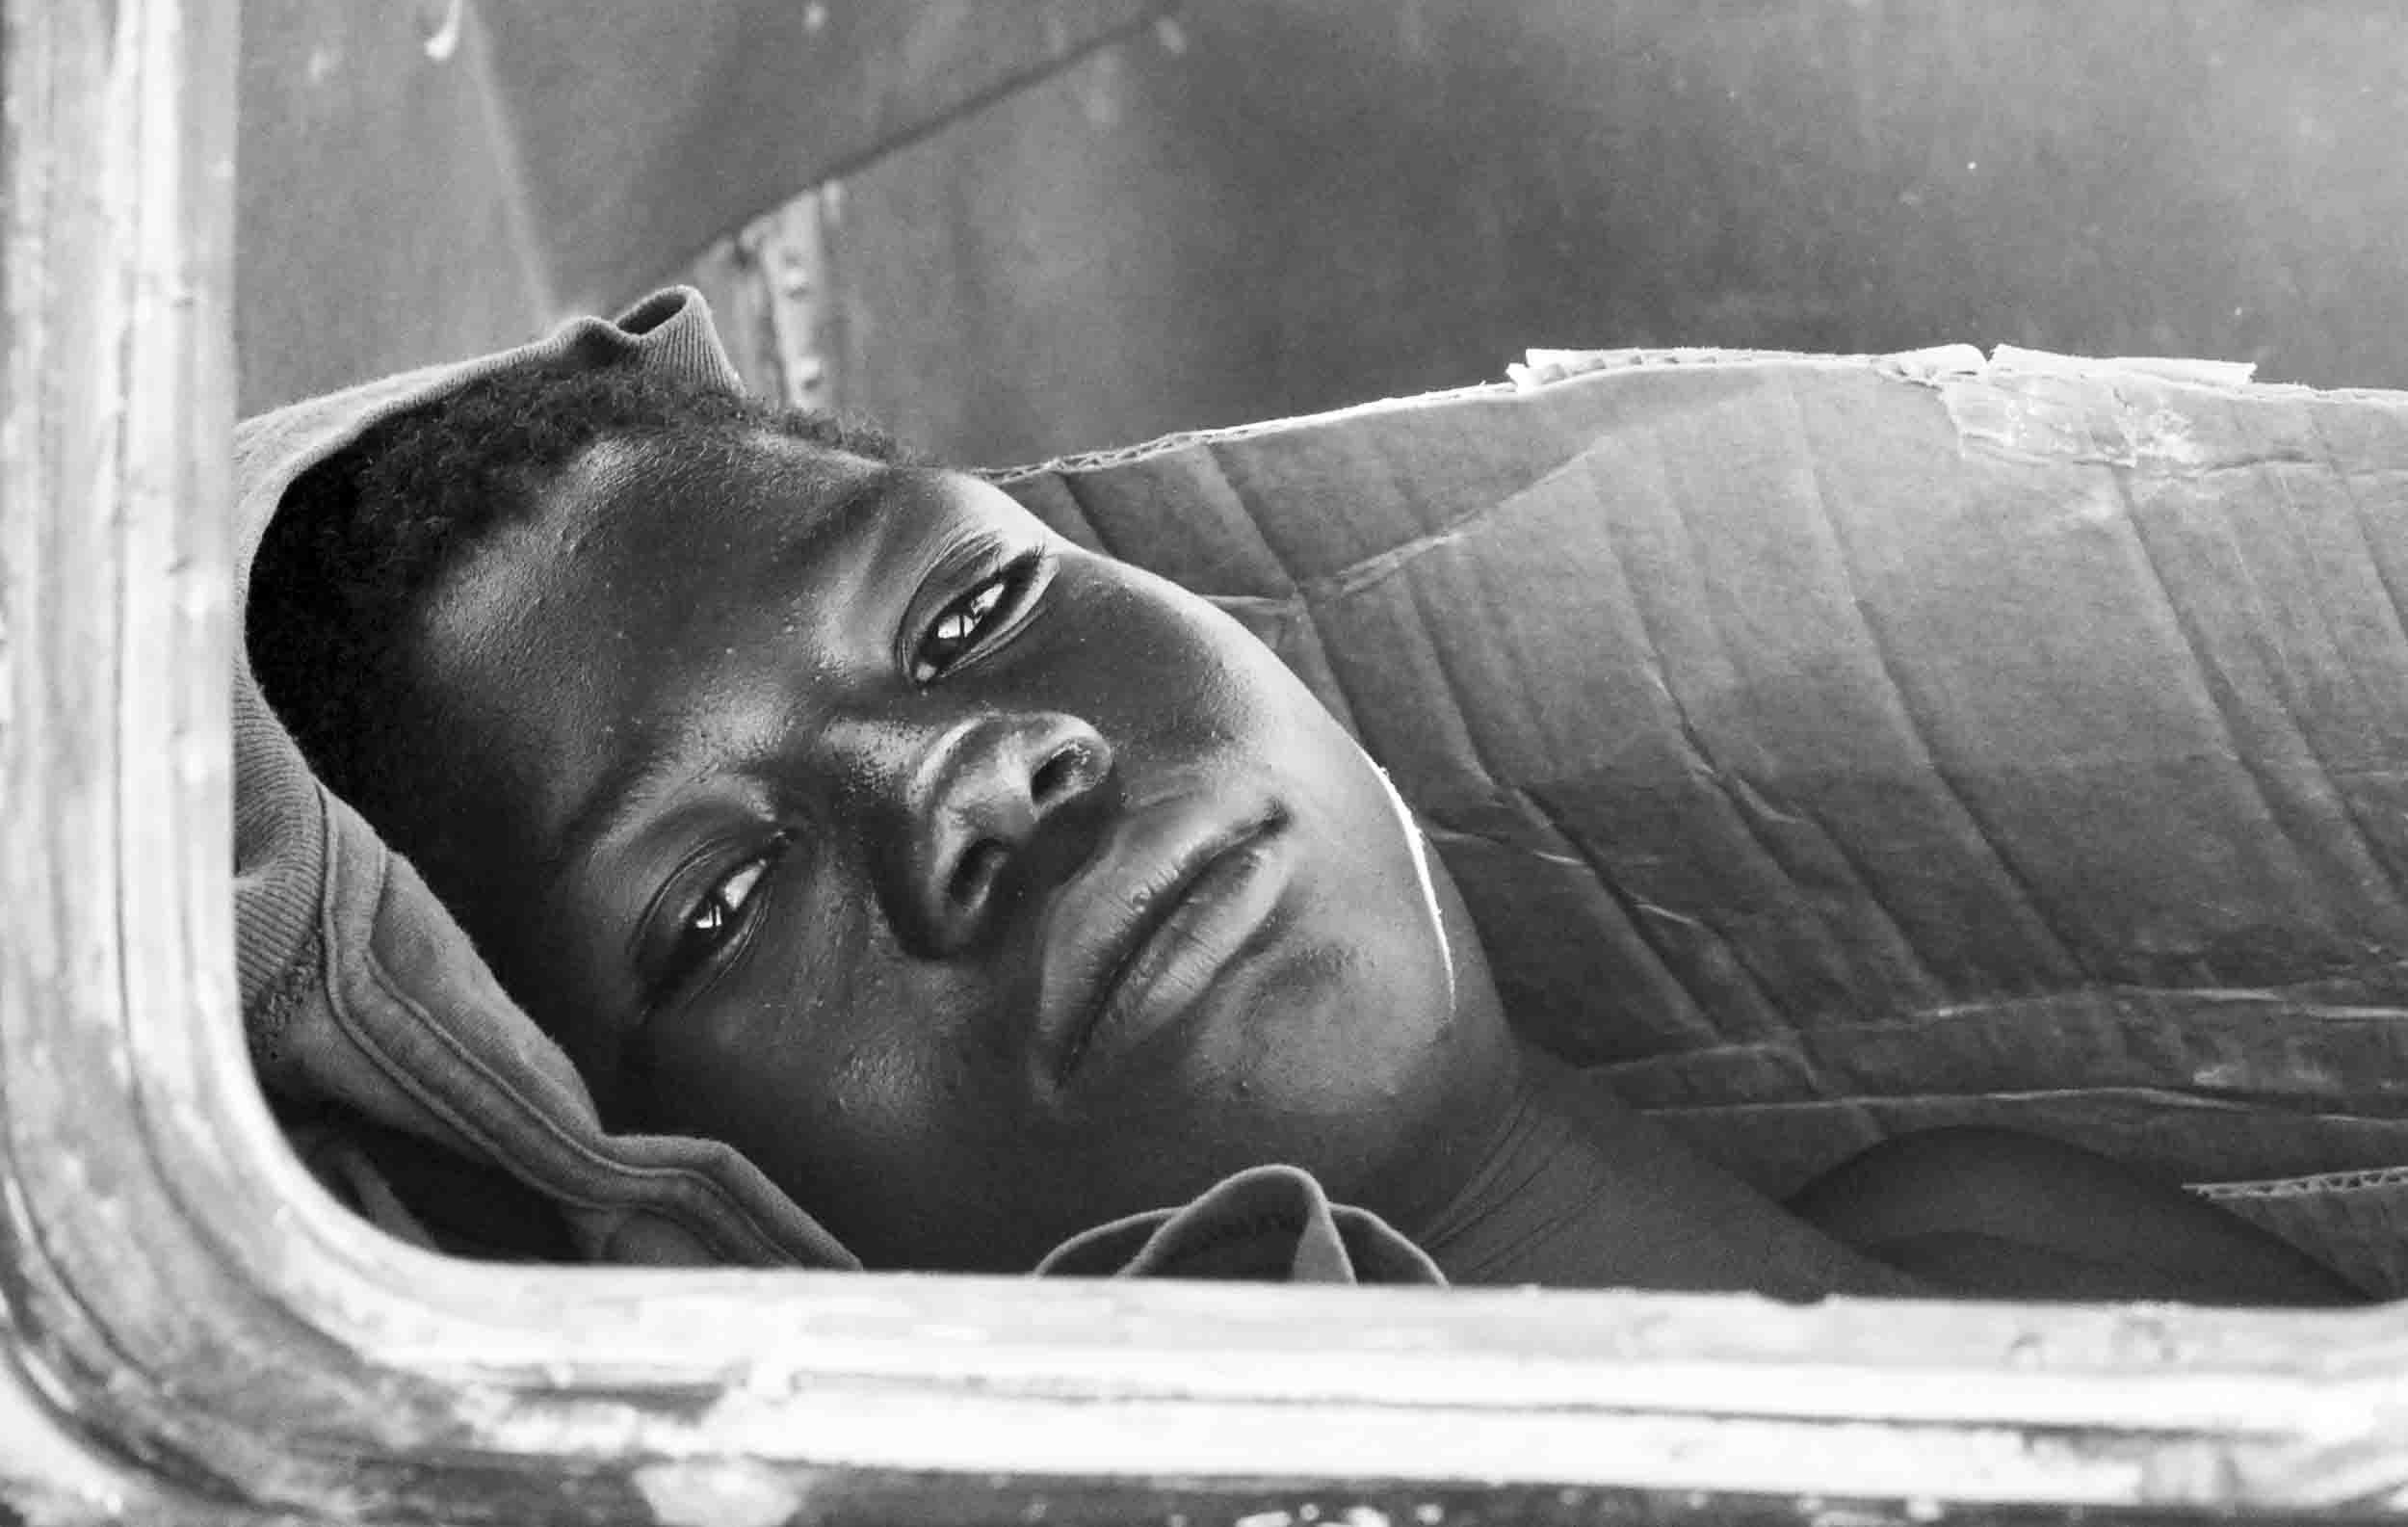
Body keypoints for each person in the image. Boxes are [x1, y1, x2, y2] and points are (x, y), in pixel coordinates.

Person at [244, 328, 2365, 1304]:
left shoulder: (1987, 1233)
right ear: (696, 1225)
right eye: (716, 906)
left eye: (968, 611)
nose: (966, 775)